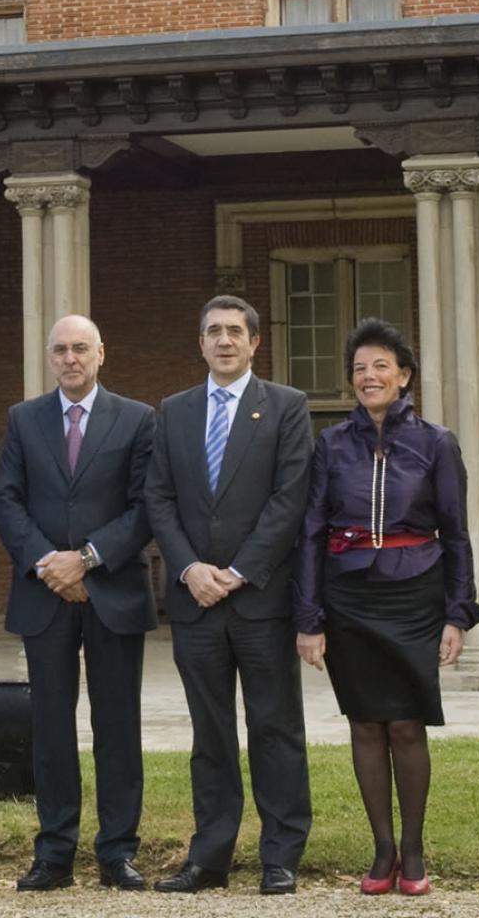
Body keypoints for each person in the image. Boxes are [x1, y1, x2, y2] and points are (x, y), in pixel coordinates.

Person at [294, 318, 479, 898]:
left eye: (381, 365)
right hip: (348, 599)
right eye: (359, 368)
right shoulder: (330, 444)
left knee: (405, 723)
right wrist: (309, 619)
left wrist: (457, 614)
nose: (368, 376)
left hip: (414, 599)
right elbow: (311, 533)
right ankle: (382, 849)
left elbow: (457, 534)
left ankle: (414, 848)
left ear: (404, 376)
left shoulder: (436, 443)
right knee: (365, 723)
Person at [144, 294, 313, 895]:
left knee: (275, 729)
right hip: (195, 603)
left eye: (235, 331)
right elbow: (158, 497)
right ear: (200, 343)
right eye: (213, 331)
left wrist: (238, 571)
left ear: (254, 342)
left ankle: (280, 856)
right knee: (209, 735)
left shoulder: (287, 406)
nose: (224, 340)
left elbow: (290, 499)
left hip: (260, 600)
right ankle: (209, 857)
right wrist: (189, 568)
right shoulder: (174, 411)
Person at [0, 314, 158, 892]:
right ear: (49, 357)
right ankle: (54, 852)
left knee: (118, 726)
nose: (70, 358)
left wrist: (86, 560)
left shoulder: (138, 418)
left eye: (81, 348)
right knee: (51, 727)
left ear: (101, 354)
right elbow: (6, 500)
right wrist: (49, 563)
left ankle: (118, 851)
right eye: (61, 349)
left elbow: (146, 506)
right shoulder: (24, 418)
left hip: (113, 591)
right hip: (45, 593)